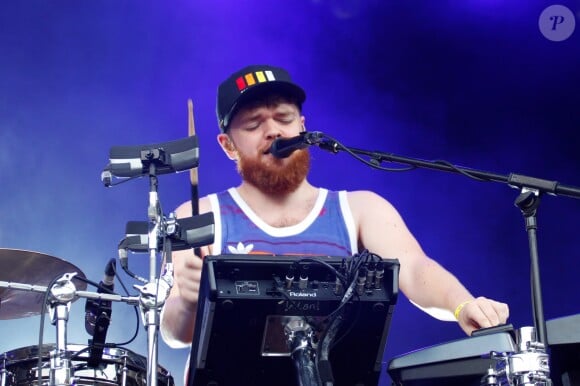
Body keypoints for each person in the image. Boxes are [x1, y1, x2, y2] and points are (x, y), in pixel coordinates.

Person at [160, 64, 509, 350]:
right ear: (228, 145)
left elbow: (416, 269)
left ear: (303, 127)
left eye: (283, 117)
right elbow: (174, 334)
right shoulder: (198, 215)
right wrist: (189, 301)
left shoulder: (361, 209)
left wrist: (462, 305)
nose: (272, 131)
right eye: (253, 124)